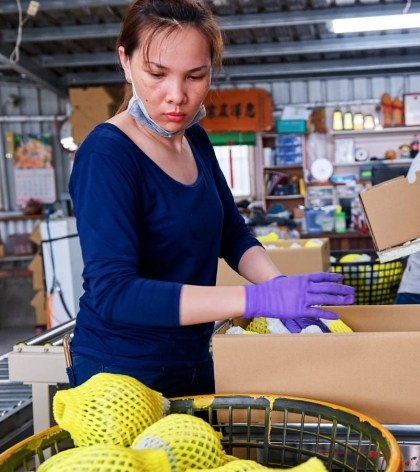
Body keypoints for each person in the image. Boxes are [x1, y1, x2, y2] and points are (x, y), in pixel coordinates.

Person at [68, 0, 355, 398]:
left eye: (195, 76)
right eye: (156, 74)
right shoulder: (106, 155)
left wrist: (281, 289)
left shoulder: (195, 140)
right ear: (126, 62)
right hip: (121, 369)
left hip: (194, 355)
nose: (177, 96)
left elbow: (232, 235)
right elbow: (115, 291)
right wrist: (256, 299)